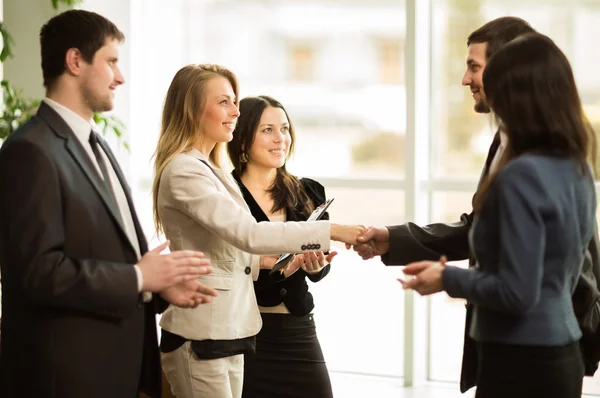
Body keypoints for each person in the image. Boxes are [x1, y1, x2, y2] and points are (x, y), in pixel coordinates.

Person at [353, 16, 600, 392]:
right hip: (560, 353)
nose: (467, 80)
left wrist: (446, 278)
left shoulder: (522, 172)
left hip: (523, 356)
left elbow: (520, 291)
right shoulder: (576, 164)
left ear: (511, 81)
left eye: (476, 68)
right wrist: (394, 238)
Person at [0, 10, 217, 398]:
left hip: (116, 370)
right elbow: (39, 272)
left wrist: (156, 286)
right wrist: (139, 278)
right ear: (75, 61)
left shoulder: (98, 144)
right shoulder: (29, 151)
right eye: (112, 61)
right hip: (67, 379)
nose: (121, 77)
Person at [152, 64, 364, 398]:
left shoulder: (212, 170)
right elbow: (249, 233)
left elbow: (230, 250)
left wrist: (275, 263)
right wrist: (334, 231)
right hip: (205, 331)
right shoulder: (184, 171)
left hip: (230, 331)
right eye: (224, 102)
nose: (235, 111)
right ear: (193, 109)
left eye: (234, 102)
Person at [227, 95, 335, 398]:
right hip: (243, 332)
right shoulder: (224, 196)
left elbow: (319, 272)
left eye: (284, 128)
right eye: (267, 130)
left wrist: (319, 265)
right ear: (243, 139)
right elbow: (220, 262)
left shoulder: (308, 191)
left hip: (297, 330)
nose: (280, 139)